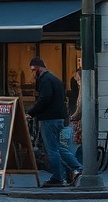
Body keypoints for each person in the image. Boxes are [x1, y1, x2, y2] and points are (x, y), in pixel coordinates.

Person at [26, 57, 82, 187]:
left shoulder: (45, 80)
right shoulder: (55, 79)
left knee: (52, 149)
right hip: (59, 118)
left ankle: (57, 177)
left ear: (39, 69)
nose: (32, 74)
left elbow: (44, 99)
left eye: (33, 70)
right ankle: (78, 167)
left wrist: (31, 113)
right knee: (58, 147)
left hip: (49, 119)